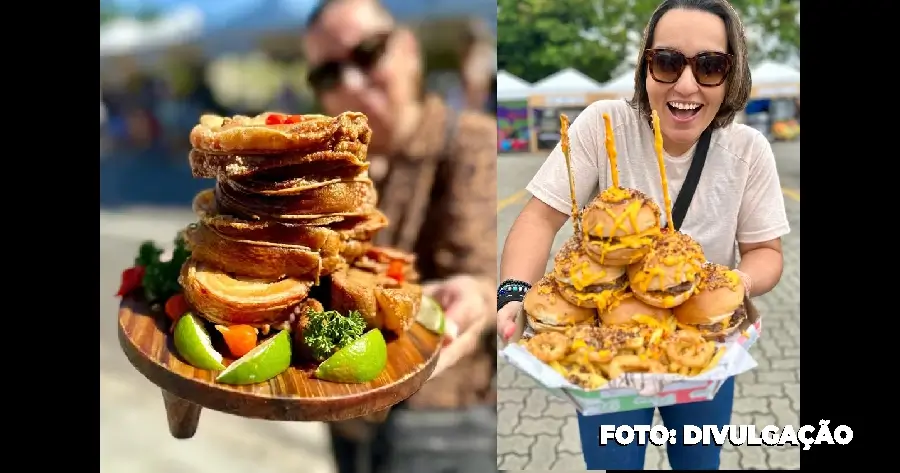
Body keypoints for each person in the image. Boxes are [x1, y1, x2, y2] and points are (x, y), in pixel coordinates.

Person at [496, 0, 790, 469]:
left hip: (700, 345)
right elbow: (539, 219)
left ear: (732, 75)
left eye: (710, 66)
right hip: (604, 348)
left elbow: (765, 252)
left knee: (697, 463)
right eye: (668, 62)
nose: (687, 85)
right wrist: (513, 295)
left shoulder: (748, 149)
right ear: (646, 66)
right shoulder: (603, 125)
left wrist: (733, 286)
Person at [301, 1, 498, 472]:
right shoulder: (335, 169)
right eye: (328, 74)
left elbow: (487, 273)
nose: (350, 82)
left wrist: (477, 296)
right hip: (346, 411)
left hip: (442, 420)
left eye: (366, 54)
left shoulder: (470, 140)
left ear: (408, 50)